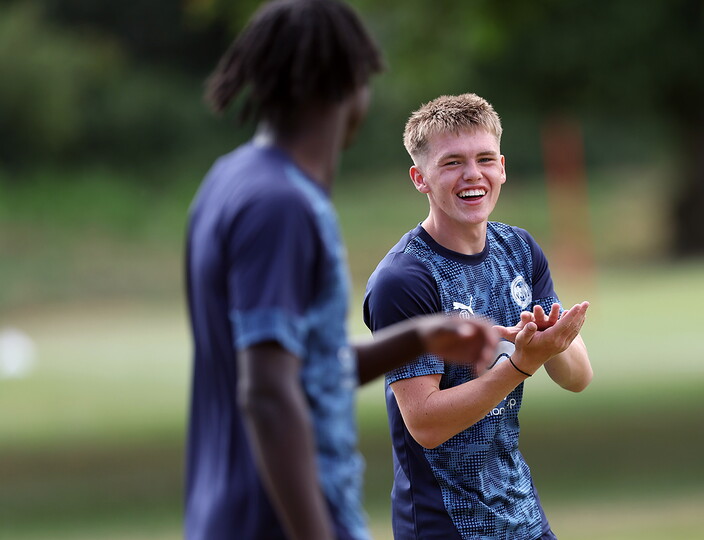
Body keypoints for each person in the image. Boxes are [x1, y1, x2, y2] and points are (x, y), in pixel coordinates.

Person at [184, 4, 498, 540]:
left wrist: (420, 336)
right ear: (350, 85)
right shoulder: (280, 204)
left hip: (226, 513)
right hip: (276, 521)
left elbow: (300, 369)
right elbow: (266, 393)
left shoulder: (228, 180)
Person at [363, 93, 594, 540]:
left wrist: (551, 345)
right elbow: (426, 424)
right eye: (452, 163)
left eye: (485, 159)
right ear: (420, 178)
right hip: (446, 524)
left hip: (522, 516)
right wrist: (521, 365)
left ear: (502, 167)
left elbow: (578, 377)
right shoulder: (405, 280)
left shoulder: (519, 250)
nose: (473, 175)